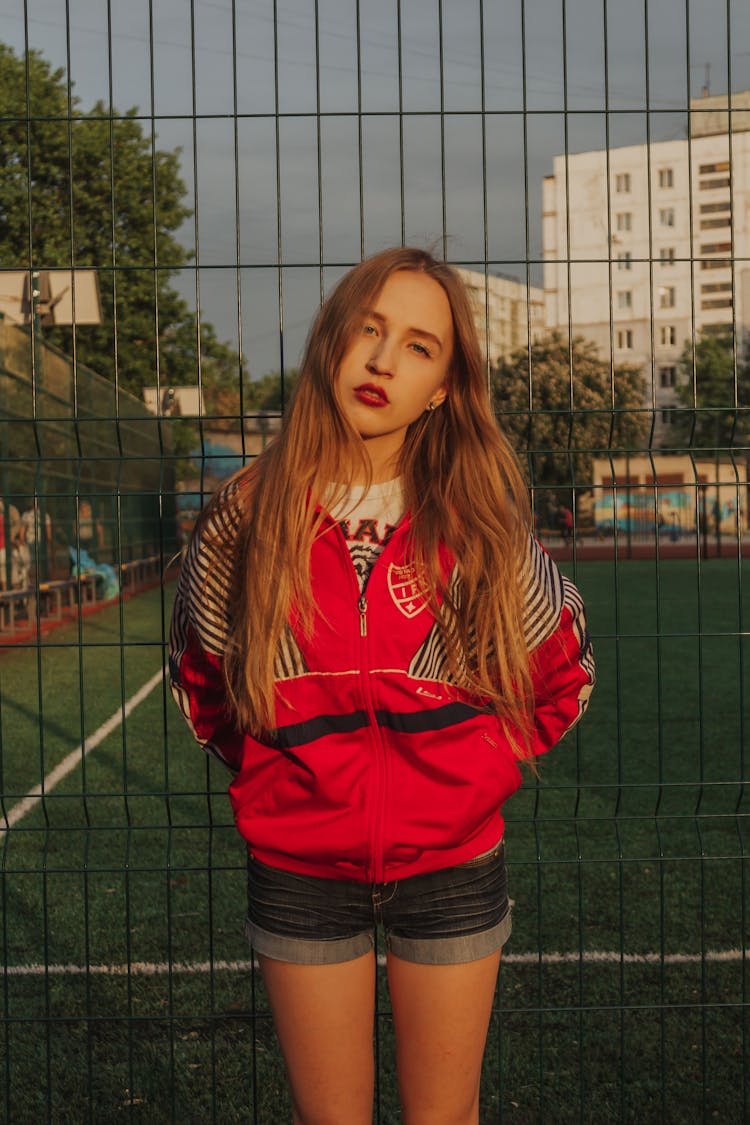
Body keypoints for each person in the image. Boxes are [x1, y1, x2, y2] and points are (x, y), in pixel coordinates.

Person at [169, 247, 595, 1125]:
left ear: (443, 385)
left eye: (418, 345)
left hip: (452, 866)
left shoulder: (476, 521)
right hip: (299, 871)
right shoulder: (243, 518)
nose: (382, 360)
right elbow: (203, 679)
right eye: (368, 329)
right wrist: (275, 772)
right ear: (331, 341)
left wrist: (472, 768)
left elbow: (565, 670)